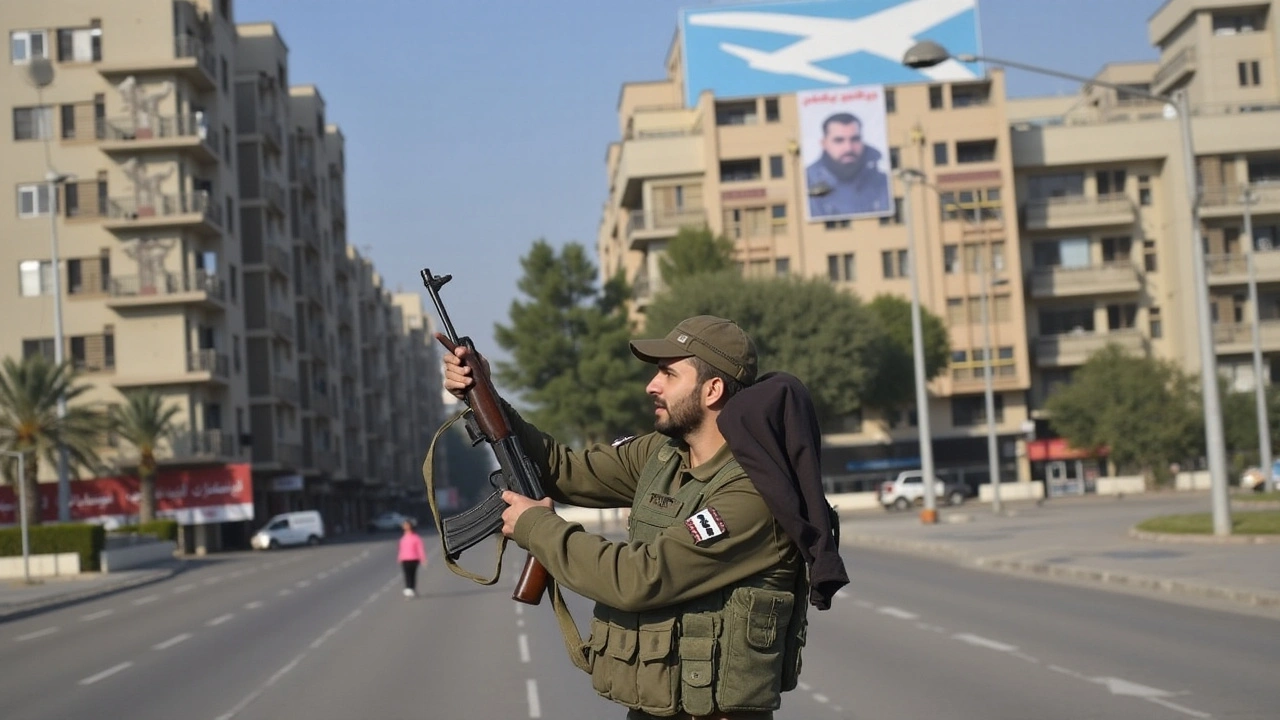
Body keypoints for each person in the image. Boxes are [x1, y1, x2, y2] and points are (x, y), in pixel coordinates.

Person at [442, 315, 847, 720]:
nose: (652, 386)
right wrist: (485, 395)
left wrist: (538, 527)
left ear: (713, 389)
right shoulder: (663, 453)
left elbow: (639, 578)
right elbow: (565, 471)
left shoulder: (752, 494)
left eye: (669, 374)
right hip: (654, 708)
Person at [805, 111, 891, 218]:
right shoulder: (809, 181)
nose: (848, 148)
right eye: (839, 140)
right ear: (824, 143)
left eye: (855, 139)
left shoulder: (881, 181)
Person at [397, 519, 425, 598]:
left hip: (414, 558)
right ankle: (408, 588)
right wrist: (399, 557)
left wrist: (423, 558)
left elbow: (420, 548)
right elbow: (401, 548)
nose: (405, 526)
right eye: (404, 525)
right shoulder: (403, 537)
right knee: (407, 574)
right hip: (405, 559)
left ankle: (412, 588)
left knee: (412, 574)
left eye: (407, 525)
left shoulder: (416, 537)